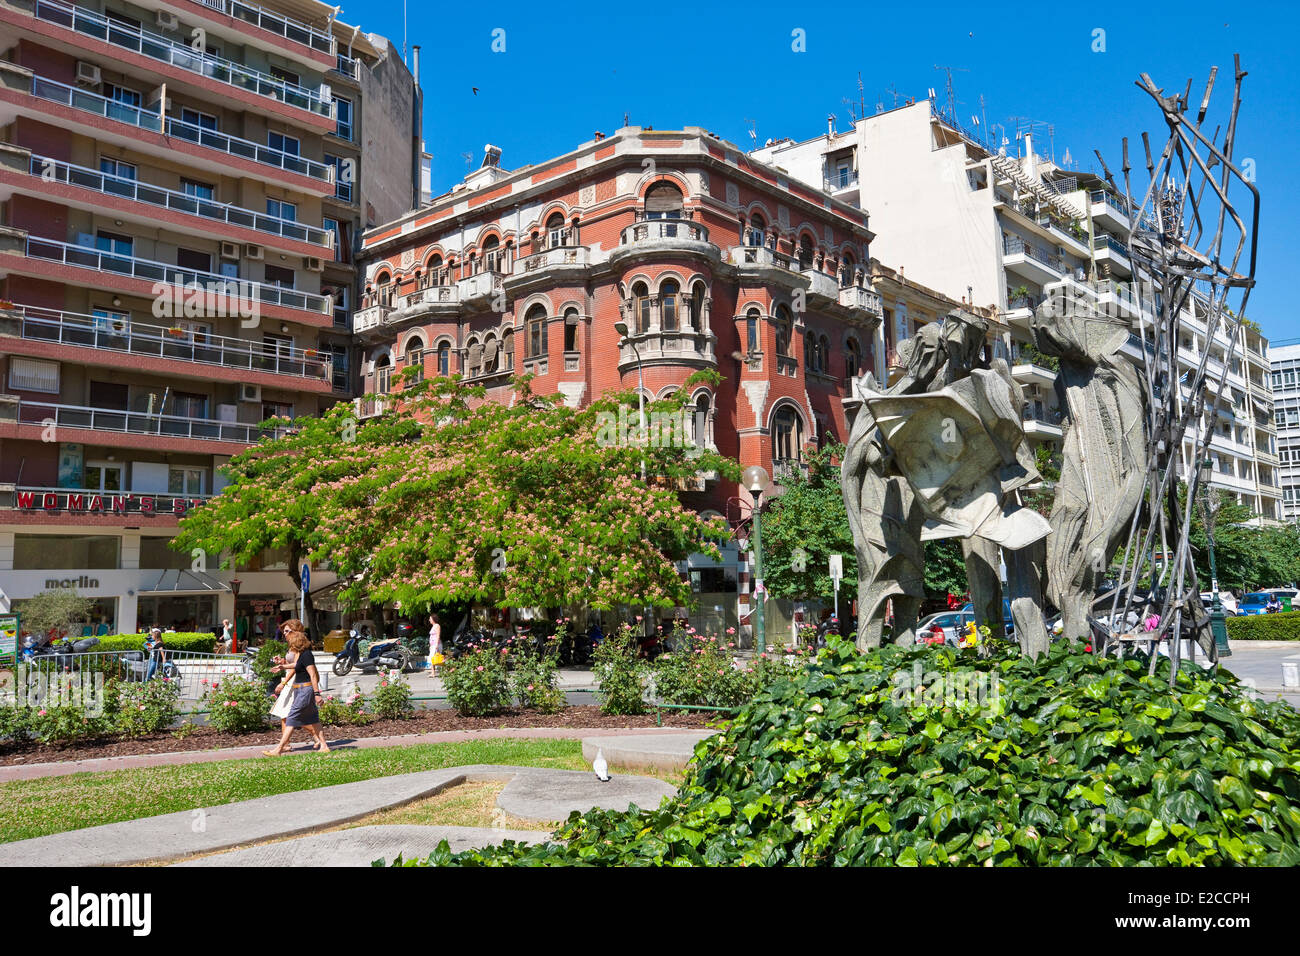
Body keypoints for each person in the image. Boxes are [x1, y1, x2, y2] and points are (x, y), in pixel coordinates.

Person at [264, 623, 329, 756]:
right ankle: (324, 745)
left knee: (291, 718)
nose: (289, 644)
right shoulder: (302, 654)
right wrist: (283, 667)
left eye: (292, 641)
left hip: (305, 690)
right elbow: (297, 665)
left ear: (298, 642)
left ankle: (279, 749)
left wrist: (317, 694)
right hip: (301, 689)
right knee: (314, 719)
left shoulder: (307, 655)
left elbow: (312, 675)